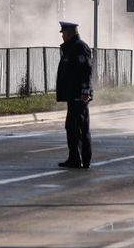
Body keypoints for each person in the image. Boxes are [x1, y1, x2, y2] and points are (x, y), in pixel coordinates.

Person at [55, 21, 93, 169]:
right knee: (72, 127)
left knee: (78, 127)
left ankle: (80, 159)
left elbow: (86, 71)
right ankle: (75, 158)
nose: (62, 36)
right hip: (73, 95)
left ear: (69, 33)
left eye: (63, 33)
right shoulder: (71, 48)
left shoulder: (79, 47)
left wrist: (85, 91)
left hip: (79, 95)